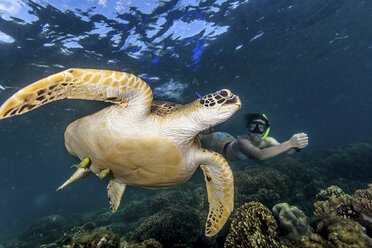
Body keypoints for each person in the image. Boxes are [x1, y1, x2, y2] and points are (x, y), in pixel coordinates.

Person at [199, 113, 308, 161]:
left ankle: (206, 127)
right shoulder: (243, 141)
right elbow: (261, 155)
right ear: (248, 128)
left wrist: (297, 146)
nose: (256, 131)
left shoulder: (269, 141)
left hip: (227, 140)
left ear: (266, 130)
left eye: (260, 127)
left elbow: (286, 152)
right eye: (252, 126)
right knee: (197, 139)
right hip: (217, 140)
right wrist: (290, 143)